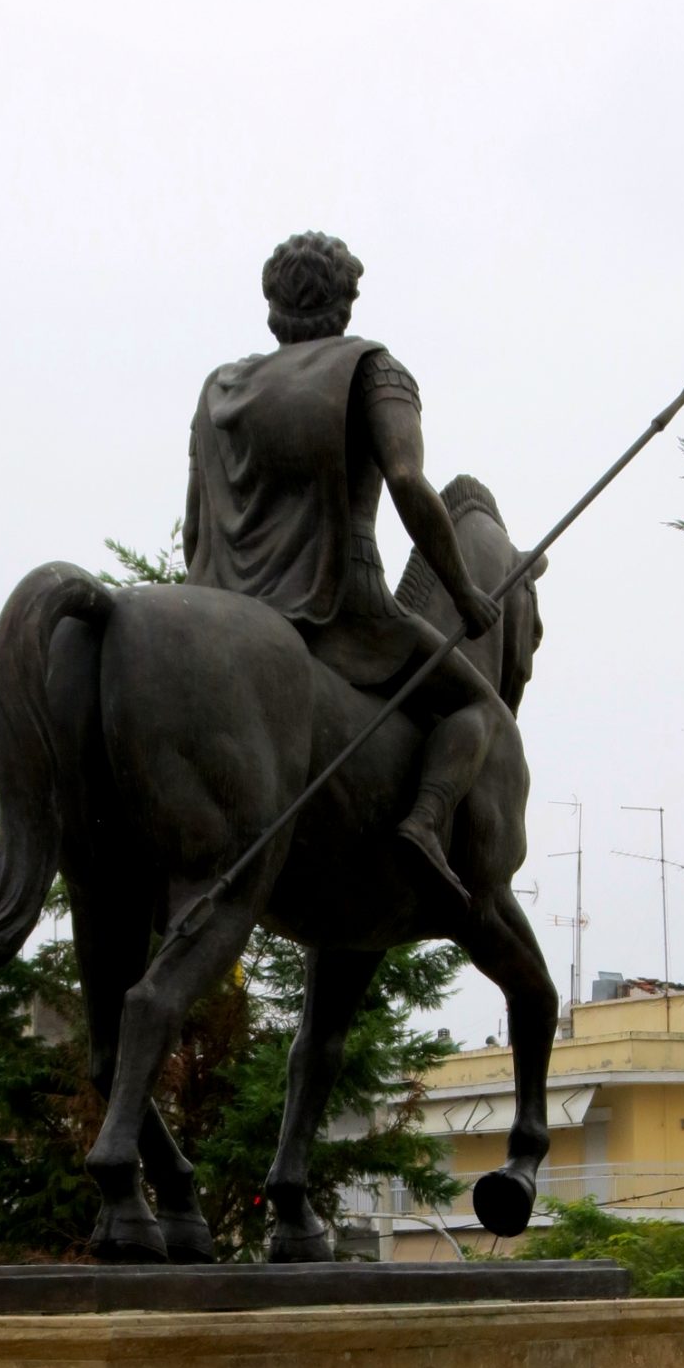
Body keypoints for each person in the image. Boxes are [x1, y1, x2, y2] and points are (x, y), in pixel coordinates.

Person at [184, 230, 504, 902]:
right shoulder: (372, 371)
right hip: (343, 611)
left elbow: (195, 528)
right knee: (476, 702)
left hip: (229, 606)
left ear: (274, 308)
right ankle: (423, 821)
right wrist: (465, 594)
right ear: (347, 303)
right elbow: (411, 484)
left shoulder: (221, 389)